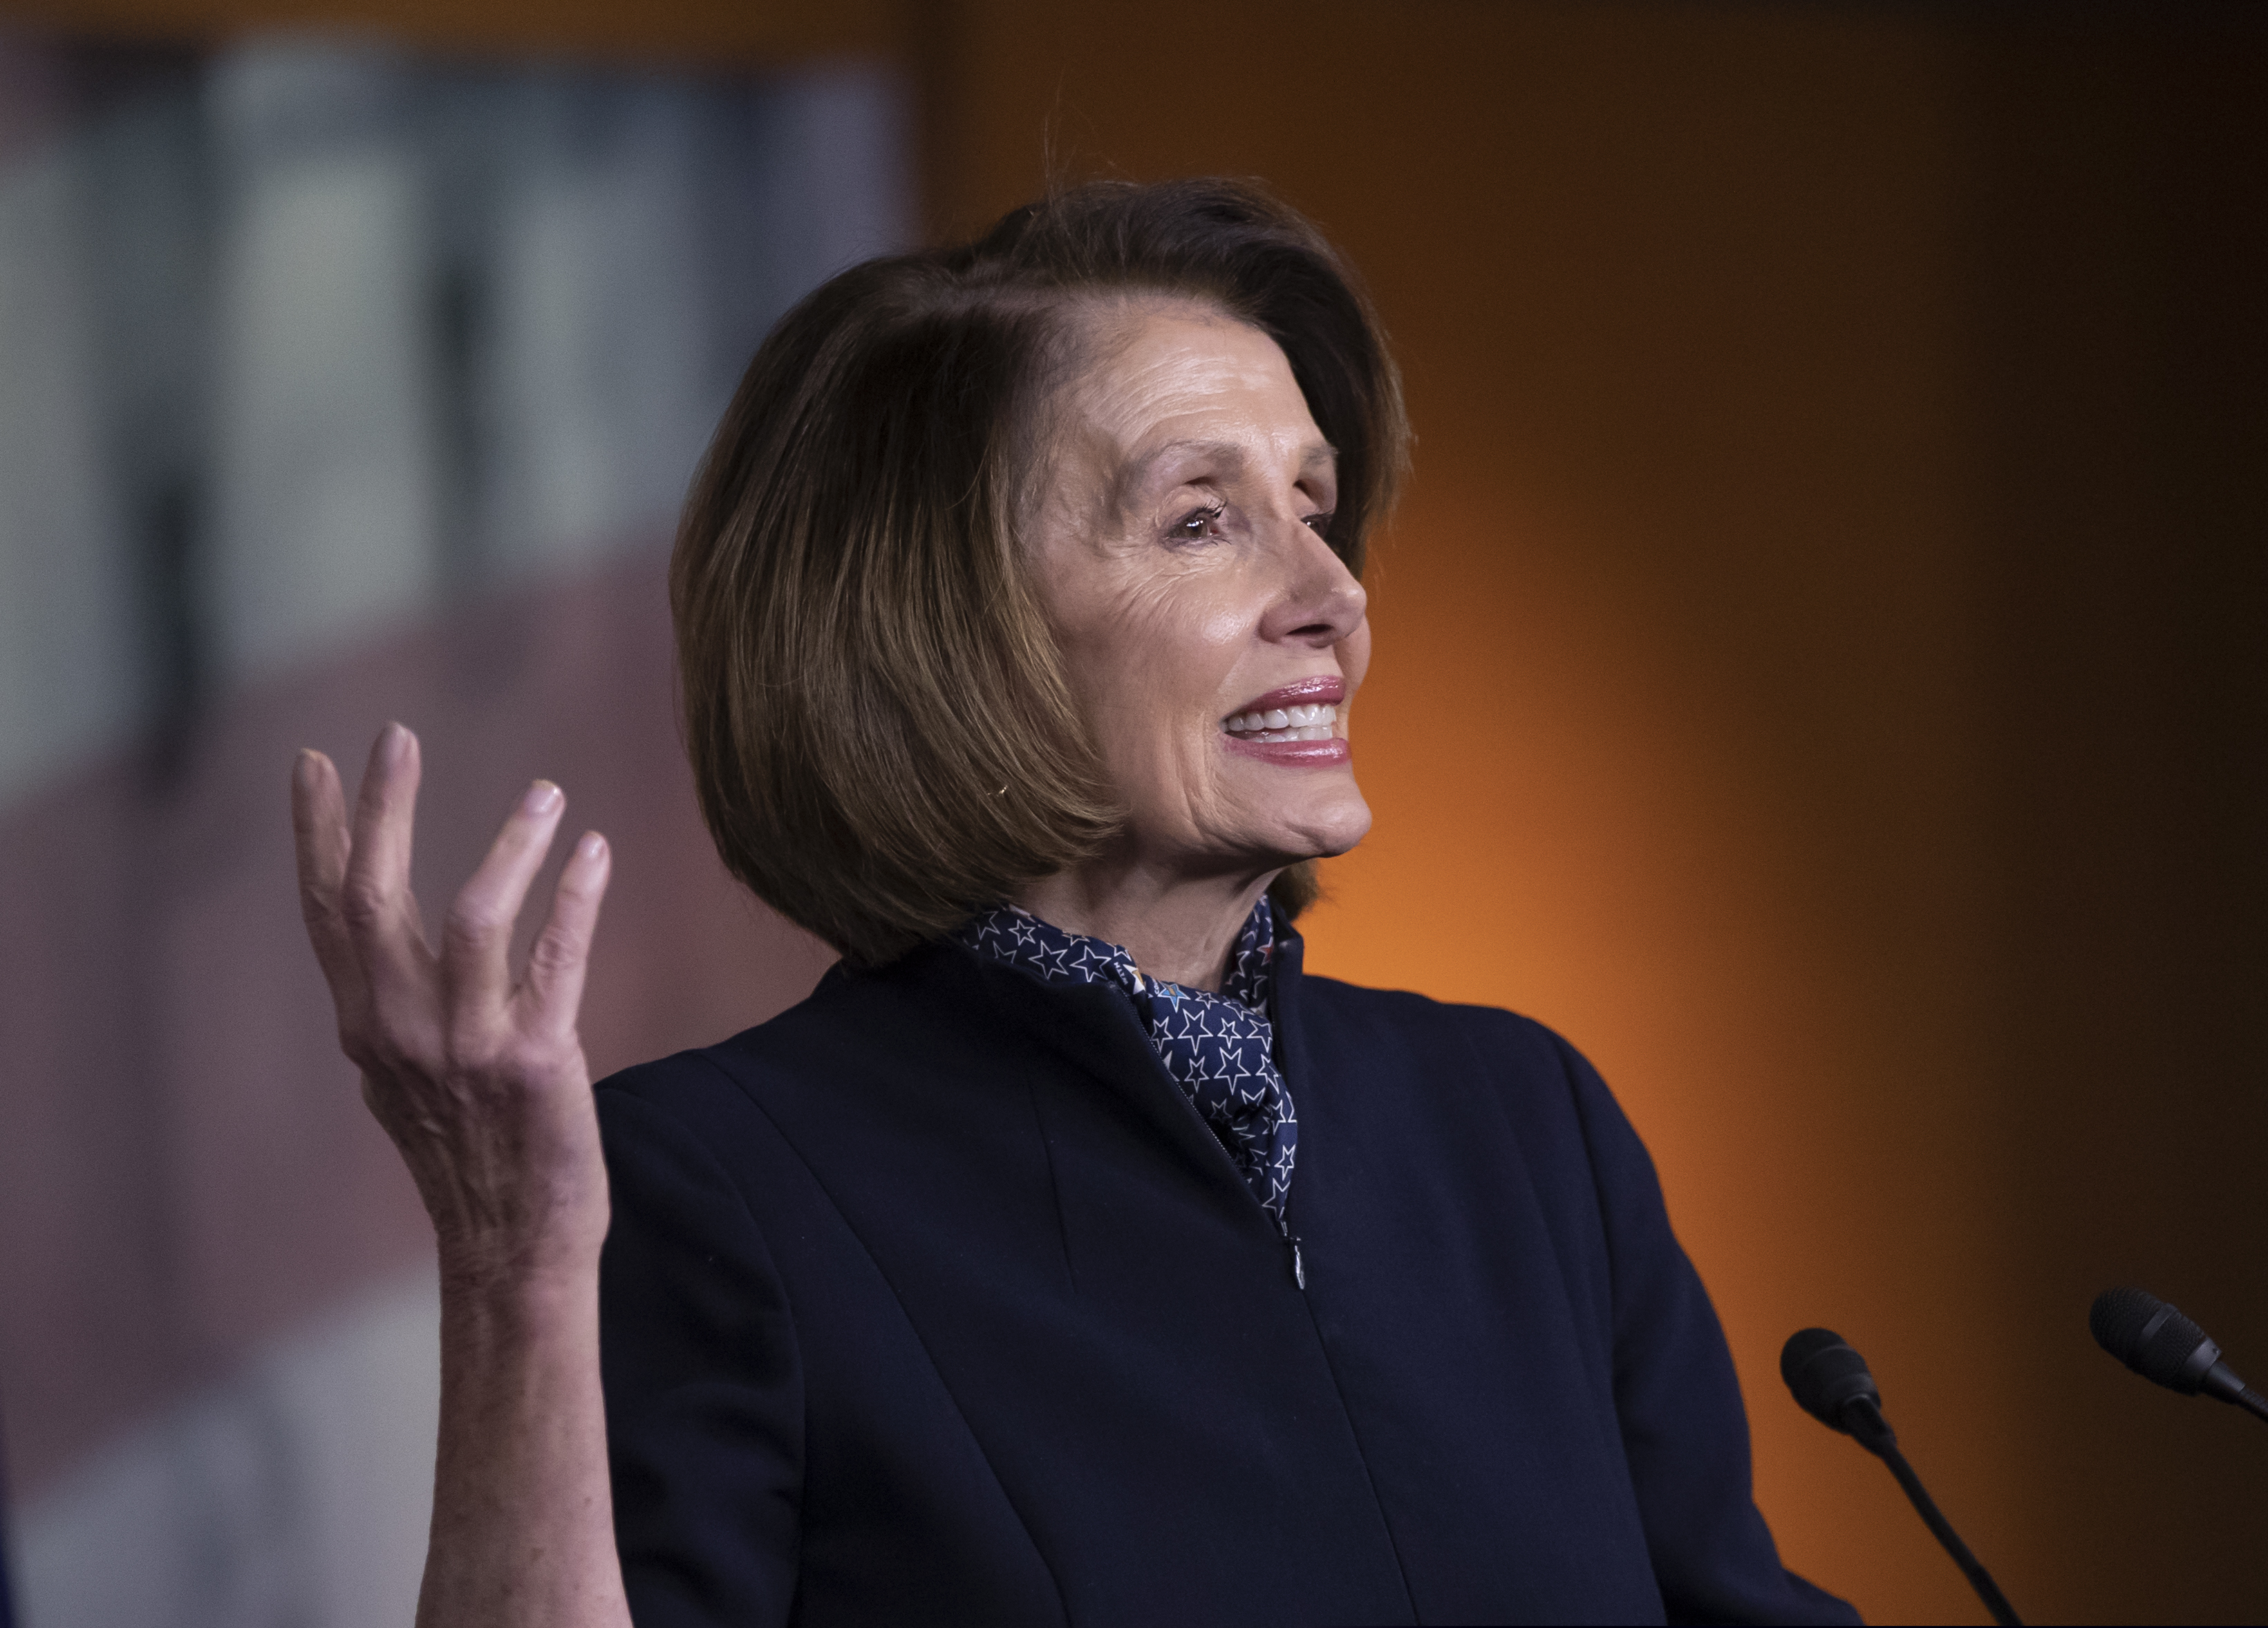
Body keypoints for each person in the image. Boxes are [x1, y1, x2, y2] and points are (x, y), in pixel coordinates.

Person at [292, 179, 1858, 1627]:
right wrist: (514, 1269)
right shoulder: (716, 1194)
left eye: (1314, 505)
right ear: (942, 628)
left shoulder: (1520, 1123)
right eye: (1201, 519)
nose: (1334, 594)